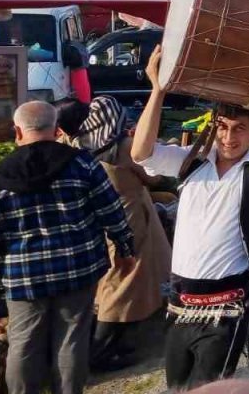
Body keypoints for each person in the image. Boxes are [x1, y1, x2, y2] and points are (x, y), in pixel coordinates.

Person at [132, 46, 249, 389]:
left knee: (209, 390)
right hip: (179, 306)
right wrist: (158, 90)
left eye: (239, 129)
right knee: (176, 387)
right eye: (222, 127)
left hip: (226, 311)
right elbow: (140, 152)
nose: (228, 137)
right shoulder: (192, 163)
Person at [0, 101, 136, 394]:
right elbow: (112, 211)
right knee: (72, 340)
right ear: (56, 130)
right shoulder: (83, 164)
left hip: (22, 278)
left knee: (24, 342)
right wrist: (125, 248)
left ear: (17, 132)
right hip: (78, 269)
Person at [54, 97, 172, 373]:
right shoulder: (122, 147)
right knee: (122, 285)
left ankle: (115, 342)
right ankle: (97, 355)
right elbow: (154, 177)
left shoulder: (73, 145)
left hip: (94, 221)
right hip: (128, 221)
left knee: (112, 282)